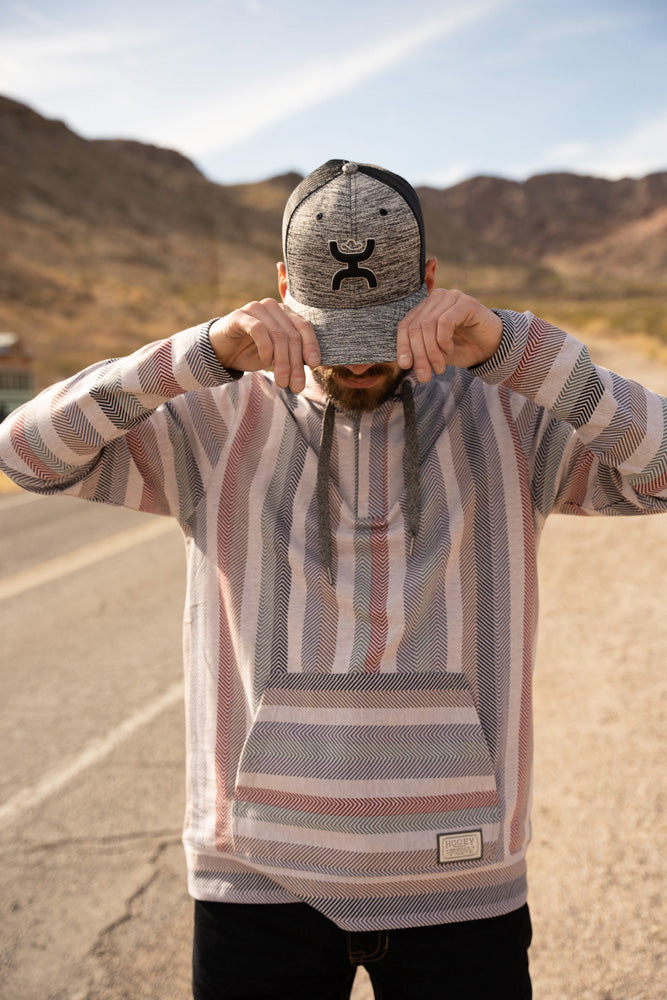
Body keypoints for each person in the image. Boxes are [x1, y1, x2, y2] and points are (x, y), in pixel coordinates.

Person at [1, 158, 666, 1000]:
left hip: (460, 876)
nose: (356, 365)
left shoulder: (509, 414)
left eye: (379, 336)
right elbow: (25, 455)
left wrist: (516, 350)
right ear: (281, 290)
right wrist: (196, 355)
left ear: (430, 286)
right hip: (256, 882)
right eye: (334, 336)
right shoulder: (212, 420)